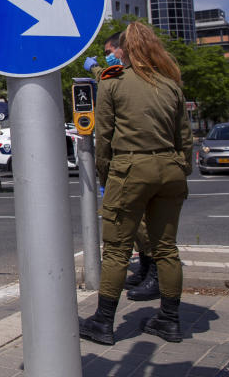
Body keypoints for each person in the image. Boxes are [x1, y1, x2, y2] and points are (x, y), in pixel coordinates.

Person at [80, 21, 193, 345]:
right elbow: (184, 137)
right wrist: (180, 167)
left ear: (125, 50)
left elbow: (104, 137)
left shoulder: (113, 82)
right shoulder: (171, 84)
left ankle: (103, 323)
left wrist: (106, 176)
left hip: (130, 168)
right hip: (169, 170)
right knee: (167, 249)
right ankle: (169, 321)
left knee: (116, 251)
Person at [84, 32, 159, 300]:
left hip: (130, 160)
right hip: (146, 161)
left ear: (121, 50)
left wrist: (103, 171)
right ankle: (148, 268)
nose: (107, 57)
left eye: (109, 51)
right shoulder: (156, 76)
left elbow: (108, 80)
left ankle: (154, 274)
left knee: (132, 224)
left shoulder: (126, 76)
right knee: (137, 222)